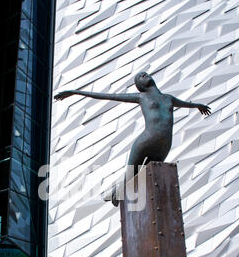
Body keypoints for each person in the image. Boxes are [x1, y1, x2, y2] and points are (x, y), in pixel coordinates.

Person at [55, 71, 211, 205]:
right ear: (140, 86)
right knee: (132, 174)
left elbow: (186, 104)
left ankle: (118, 192)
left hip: (164, 145)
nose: (143, 75)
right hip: (146, 140)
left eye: (144, 74)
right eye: (140, 77)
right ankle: (118, 193)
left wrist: (198, 105)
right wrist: (75, 92)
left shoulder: (169, 98)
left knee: (150, 176)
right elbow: (109, 96)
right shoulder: (141, 97)